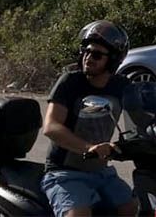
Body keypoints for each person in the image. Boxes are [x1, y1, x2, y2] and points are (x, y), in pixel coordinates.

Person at [40, 20, 138, 217]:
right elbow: (51, 126)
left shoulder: (121, 86)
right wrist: (88, 147)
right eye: (86, 51)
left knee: (132, 208)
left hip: (101, 172)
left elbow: (142, 114)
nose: (88, 58)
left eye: (96, 54)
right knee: (79, 215)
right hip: (64, 172)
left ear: (112, 60)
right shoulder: (70, 82)